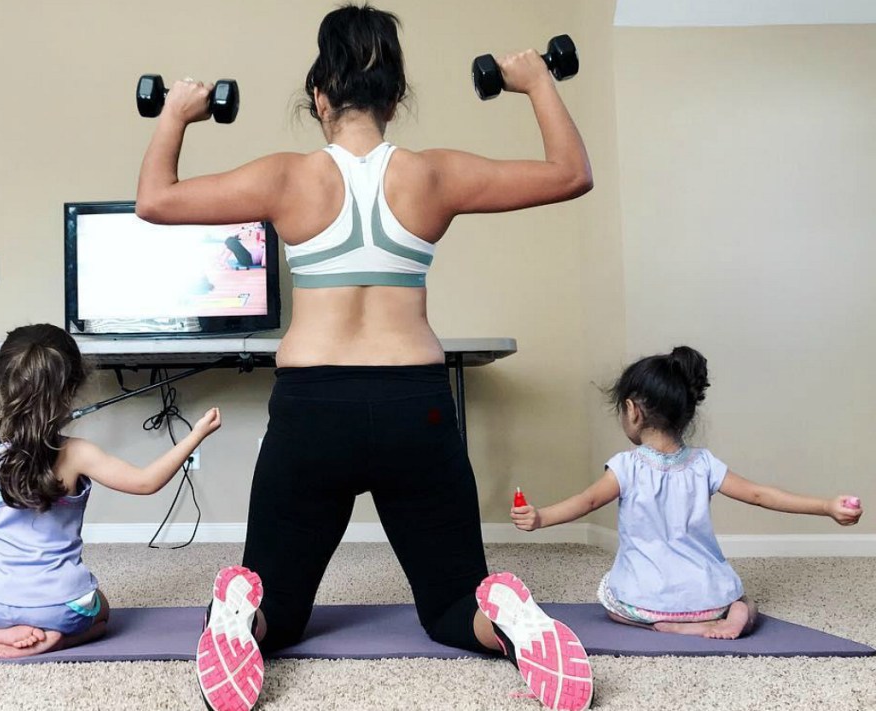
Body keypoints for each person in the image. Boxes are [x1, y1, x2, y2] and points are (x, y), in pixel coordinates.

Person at [136, 5, 593, 710]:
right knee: (449, 606)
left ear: (319, 96)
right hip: (418, 406)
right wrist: (534, 81)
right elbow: (570, 174)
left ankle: (236, 612)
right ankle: (508, 617)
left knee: (277, 613)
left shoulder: (287, 177)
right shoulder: (433, 175)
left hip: (312, 411)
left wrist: (177, 113)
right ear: (397, 98)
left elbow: (155, 201)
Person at [512, 346, 864, 639]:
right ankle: (735, 613)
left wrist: (541, 517)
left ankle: (672, 625)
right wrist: (826, 506)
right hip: (709, 594)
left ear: (633, 411)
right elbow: (760, 494)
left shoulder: (626, 466)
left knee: (612, 603)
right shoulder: (703, 463)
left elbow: (586, 501)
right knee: (742, 600)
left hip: (647, 595)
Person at [0, 323, 221, 658]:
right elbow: (147, 482)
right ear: (71, 390)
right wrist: (195, 435)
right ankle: (57, 639)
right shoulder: (77, 453)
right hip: (60, 607)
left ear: (3, 387)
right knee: (102, 614)